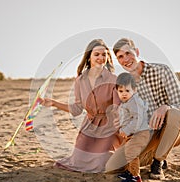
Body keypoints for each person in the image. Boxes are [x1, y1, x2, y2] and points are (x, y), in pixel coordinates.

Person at [40, 39, 124, 173]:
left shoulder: (113, 79)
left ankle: (118, 157)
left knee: (101, 163)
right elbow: (77, 109)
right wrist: (54, 103)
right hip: (89, 127)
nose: (101, 58)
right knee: (77, 162)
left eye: (104, 54)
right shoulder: (80, 80)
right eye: (97, 54)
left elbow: (116, 108)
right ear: (89, 57)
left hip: (108, 127)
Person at [112, 38, 180, 180]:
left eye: (128, 53)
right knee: (113, 166)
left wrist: (165, 108)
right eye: (120, 57)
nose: (126, 59)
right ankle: (152, 153)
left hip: (174, 128)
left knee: (174, 113)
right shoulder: (126, 84)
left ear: (137, 52)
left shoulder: (162, 70)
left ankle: (158, 162)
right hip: (147, 133)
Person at [105, 72, 151, 182]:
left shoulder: (134, 101)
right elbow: (126, 118)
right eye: (121, 91)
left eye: (127, 91)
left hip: (140, 133)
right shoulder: (126, 102)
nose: (124, 94)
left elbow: (137, 118)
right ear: (117, 91)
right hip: (132, 133)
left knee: (131, 152)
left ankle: (135, 176)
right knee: (125, 151)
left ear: (134, 90)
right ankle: (129, 171)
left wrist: (126, 130)